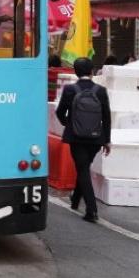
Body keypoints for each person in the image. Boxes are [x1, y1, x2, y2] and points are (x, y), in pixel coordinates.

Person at [55, 57, 111, 223]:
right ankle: (75, 200)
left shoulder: (70, 89)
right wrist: (107, 140)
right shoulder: (101, 90)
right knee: (84, 167)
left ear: (75, 72)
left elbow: (59, 113)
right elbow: (106, 117)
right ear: (92, 71)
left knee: (82, 169)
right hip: (96, 139)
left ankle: (91, 210)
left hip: (76, 138)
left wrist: (69, 124)